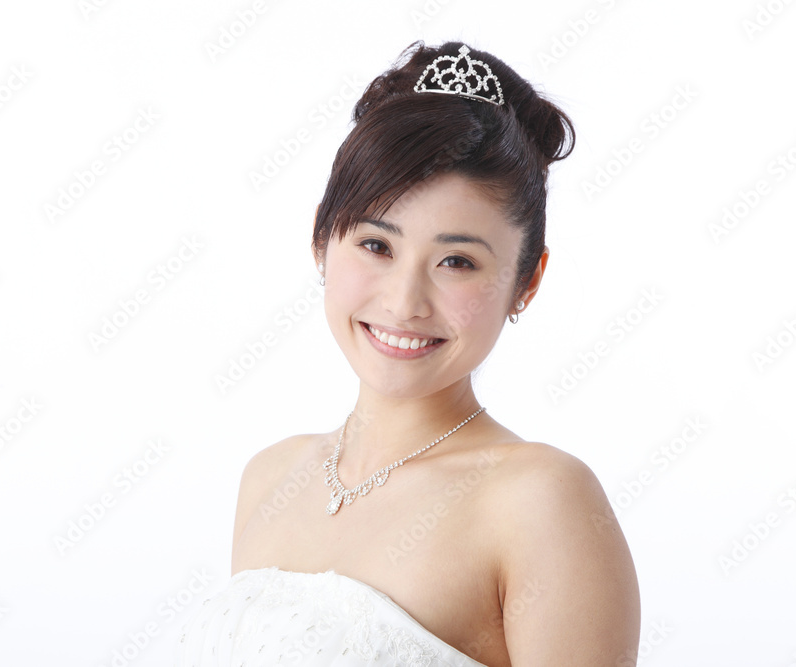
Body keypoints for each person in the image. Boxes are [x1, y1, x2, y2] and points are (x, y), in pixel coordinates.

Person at [177, 40, 640, 666]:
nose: (404, 302)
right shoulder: (270, 477)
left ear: (526, 282)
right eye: (377, 246)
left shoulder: (540, 501)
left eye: (457, 261)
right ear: (321, 239)